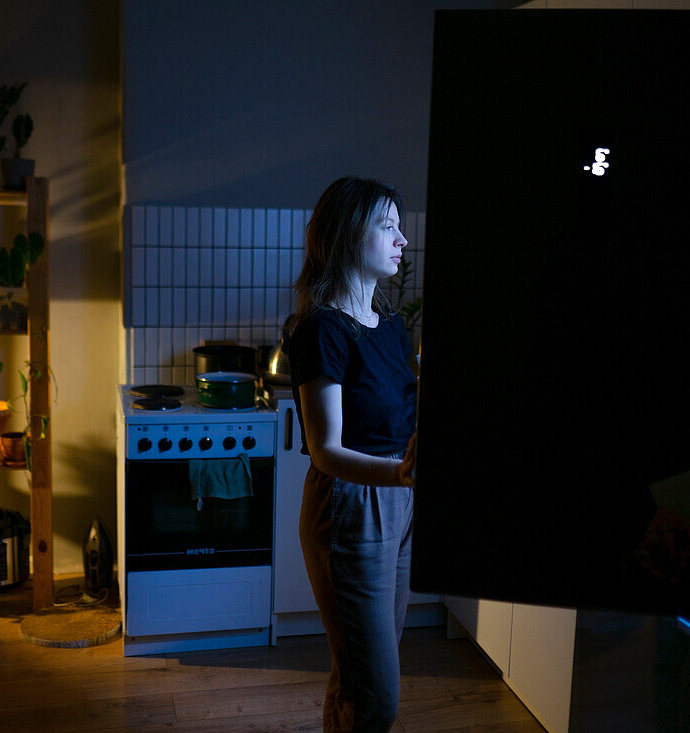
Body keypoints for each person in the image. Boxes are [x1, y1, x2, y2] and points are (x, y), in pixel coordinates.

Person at [288, 176, 419, 733]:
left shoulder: (390, 325)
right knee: (376, 699)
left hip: (399, 501)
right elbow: (326, 451)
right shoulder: (322, 329)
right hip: (352, 507)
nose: (403, 240)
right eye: (387, 226)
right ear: (347, 236)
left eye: (399, 226)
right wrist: (402, 473)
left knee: (359, 678)